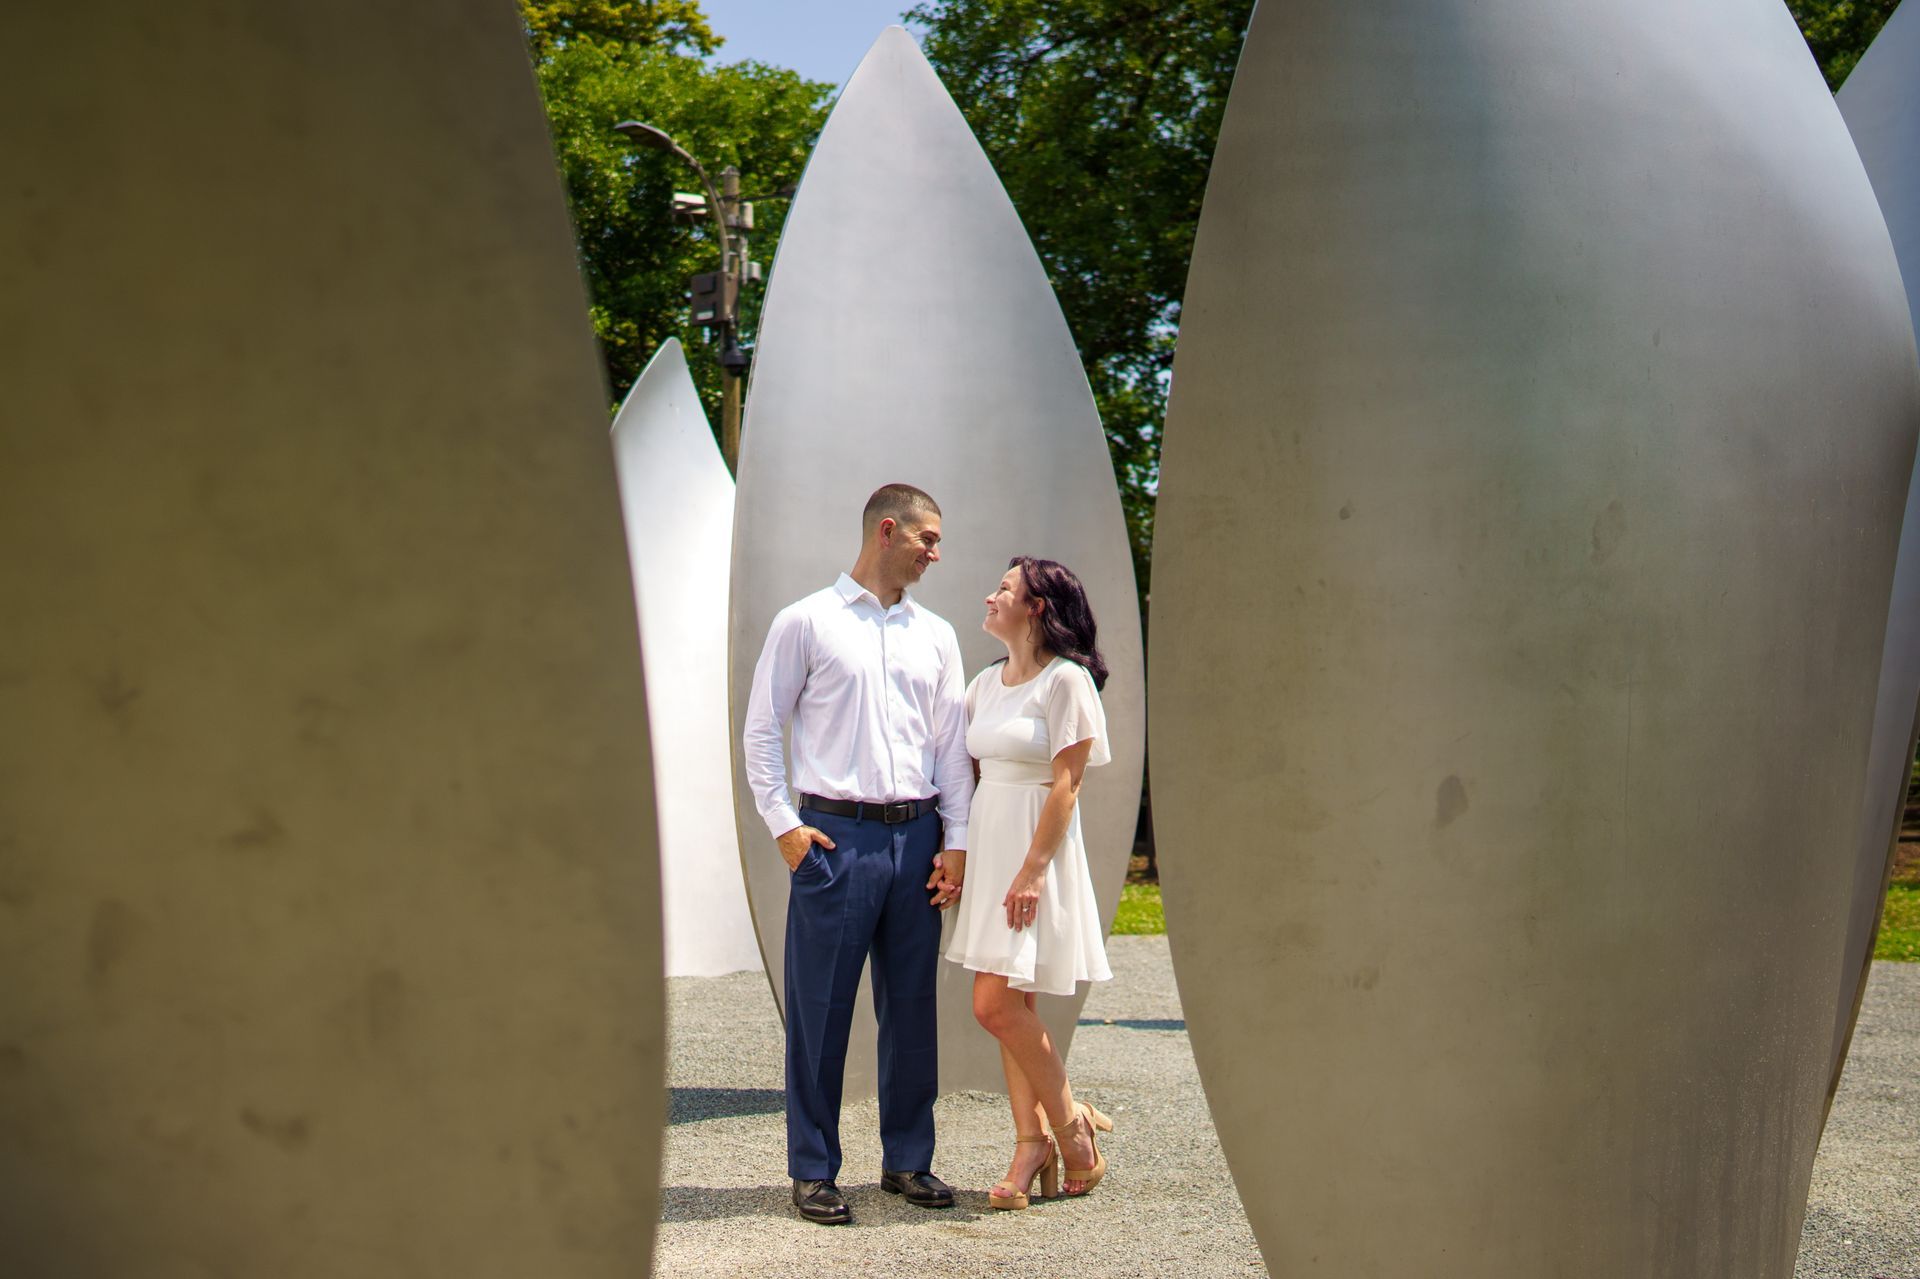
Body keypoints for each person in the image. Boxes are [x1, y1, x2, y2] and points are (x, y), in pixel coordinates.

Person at [741, 483, 974, 1226]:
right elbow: (760, 729)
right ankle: (813, 1169)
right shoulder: (805, 622)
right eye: (927, 538)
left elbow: (950, 749)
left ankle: (908, 1158)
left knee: (910, 1008)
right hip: (834, 840)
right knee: (820, 1009)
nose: (935, 552)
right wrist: (784, 824)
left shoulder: (936, 634)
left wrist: (957, 842)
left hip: (918, 838)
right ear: (887, 530)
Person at [944, 556, 1116, 1210]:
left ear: (1036, 607)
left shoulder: (1067, 682)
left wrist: (1033, 870)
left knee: (993, 1005)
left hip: (1033, 856)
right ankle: (1029, 1142)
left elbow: (1068, 784)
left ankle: (1070, 1131)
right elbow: (960, 769)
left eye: (1005, 589)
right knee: (1014, 1007)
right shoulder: (985, 683)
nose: (991, 596)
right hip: (992, 848)